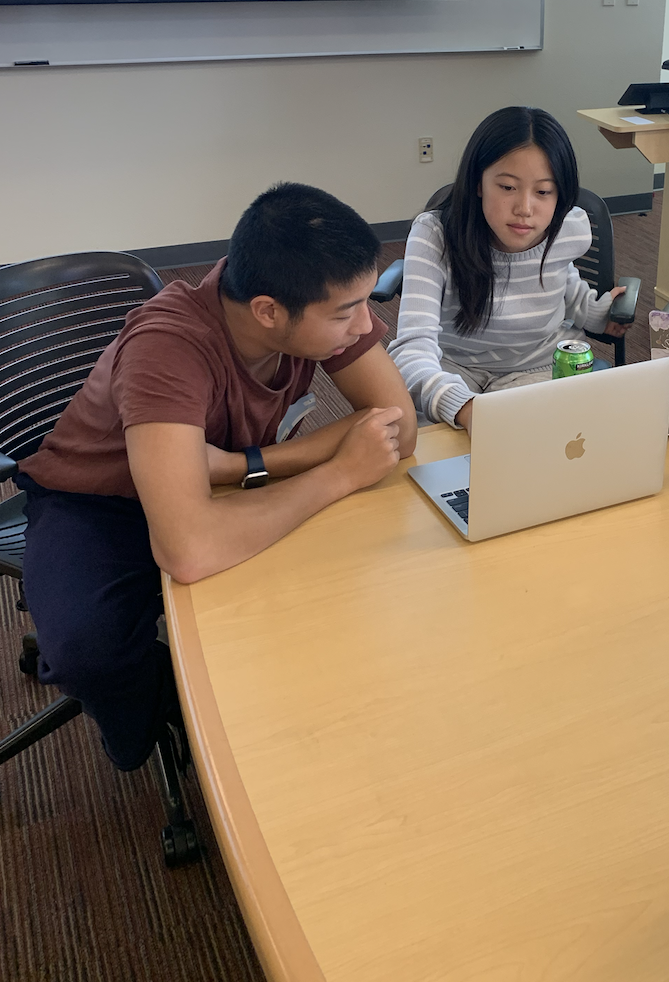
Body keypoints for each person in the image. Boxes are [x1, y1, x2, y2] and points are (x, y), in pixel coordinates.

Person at [15, 182, 417, 772]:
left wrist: (242, 465)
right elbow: (190, 549)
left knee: (335, 592)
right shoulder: (168, 345)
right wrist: (338, 474)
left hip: (229, 477)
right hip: (101, 500)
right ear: (267, 311)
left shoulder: (302, 300)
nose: (364, 325)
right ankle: (167, 719)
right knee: (87, 652)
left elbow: (398, 429)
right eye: (345, 312)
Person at [388, 105, 628, 431]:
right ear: (477, 183)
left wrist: (600, 315)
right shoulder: (435, 234)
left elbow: (562, 283)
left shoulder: (568, 228)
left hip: (540, 369)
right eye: (507, 187)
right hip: (454, 370)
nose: (525, 209)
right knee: (415, 450)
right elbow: (413, 348)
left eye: (543, 191)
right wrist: (464, 406)